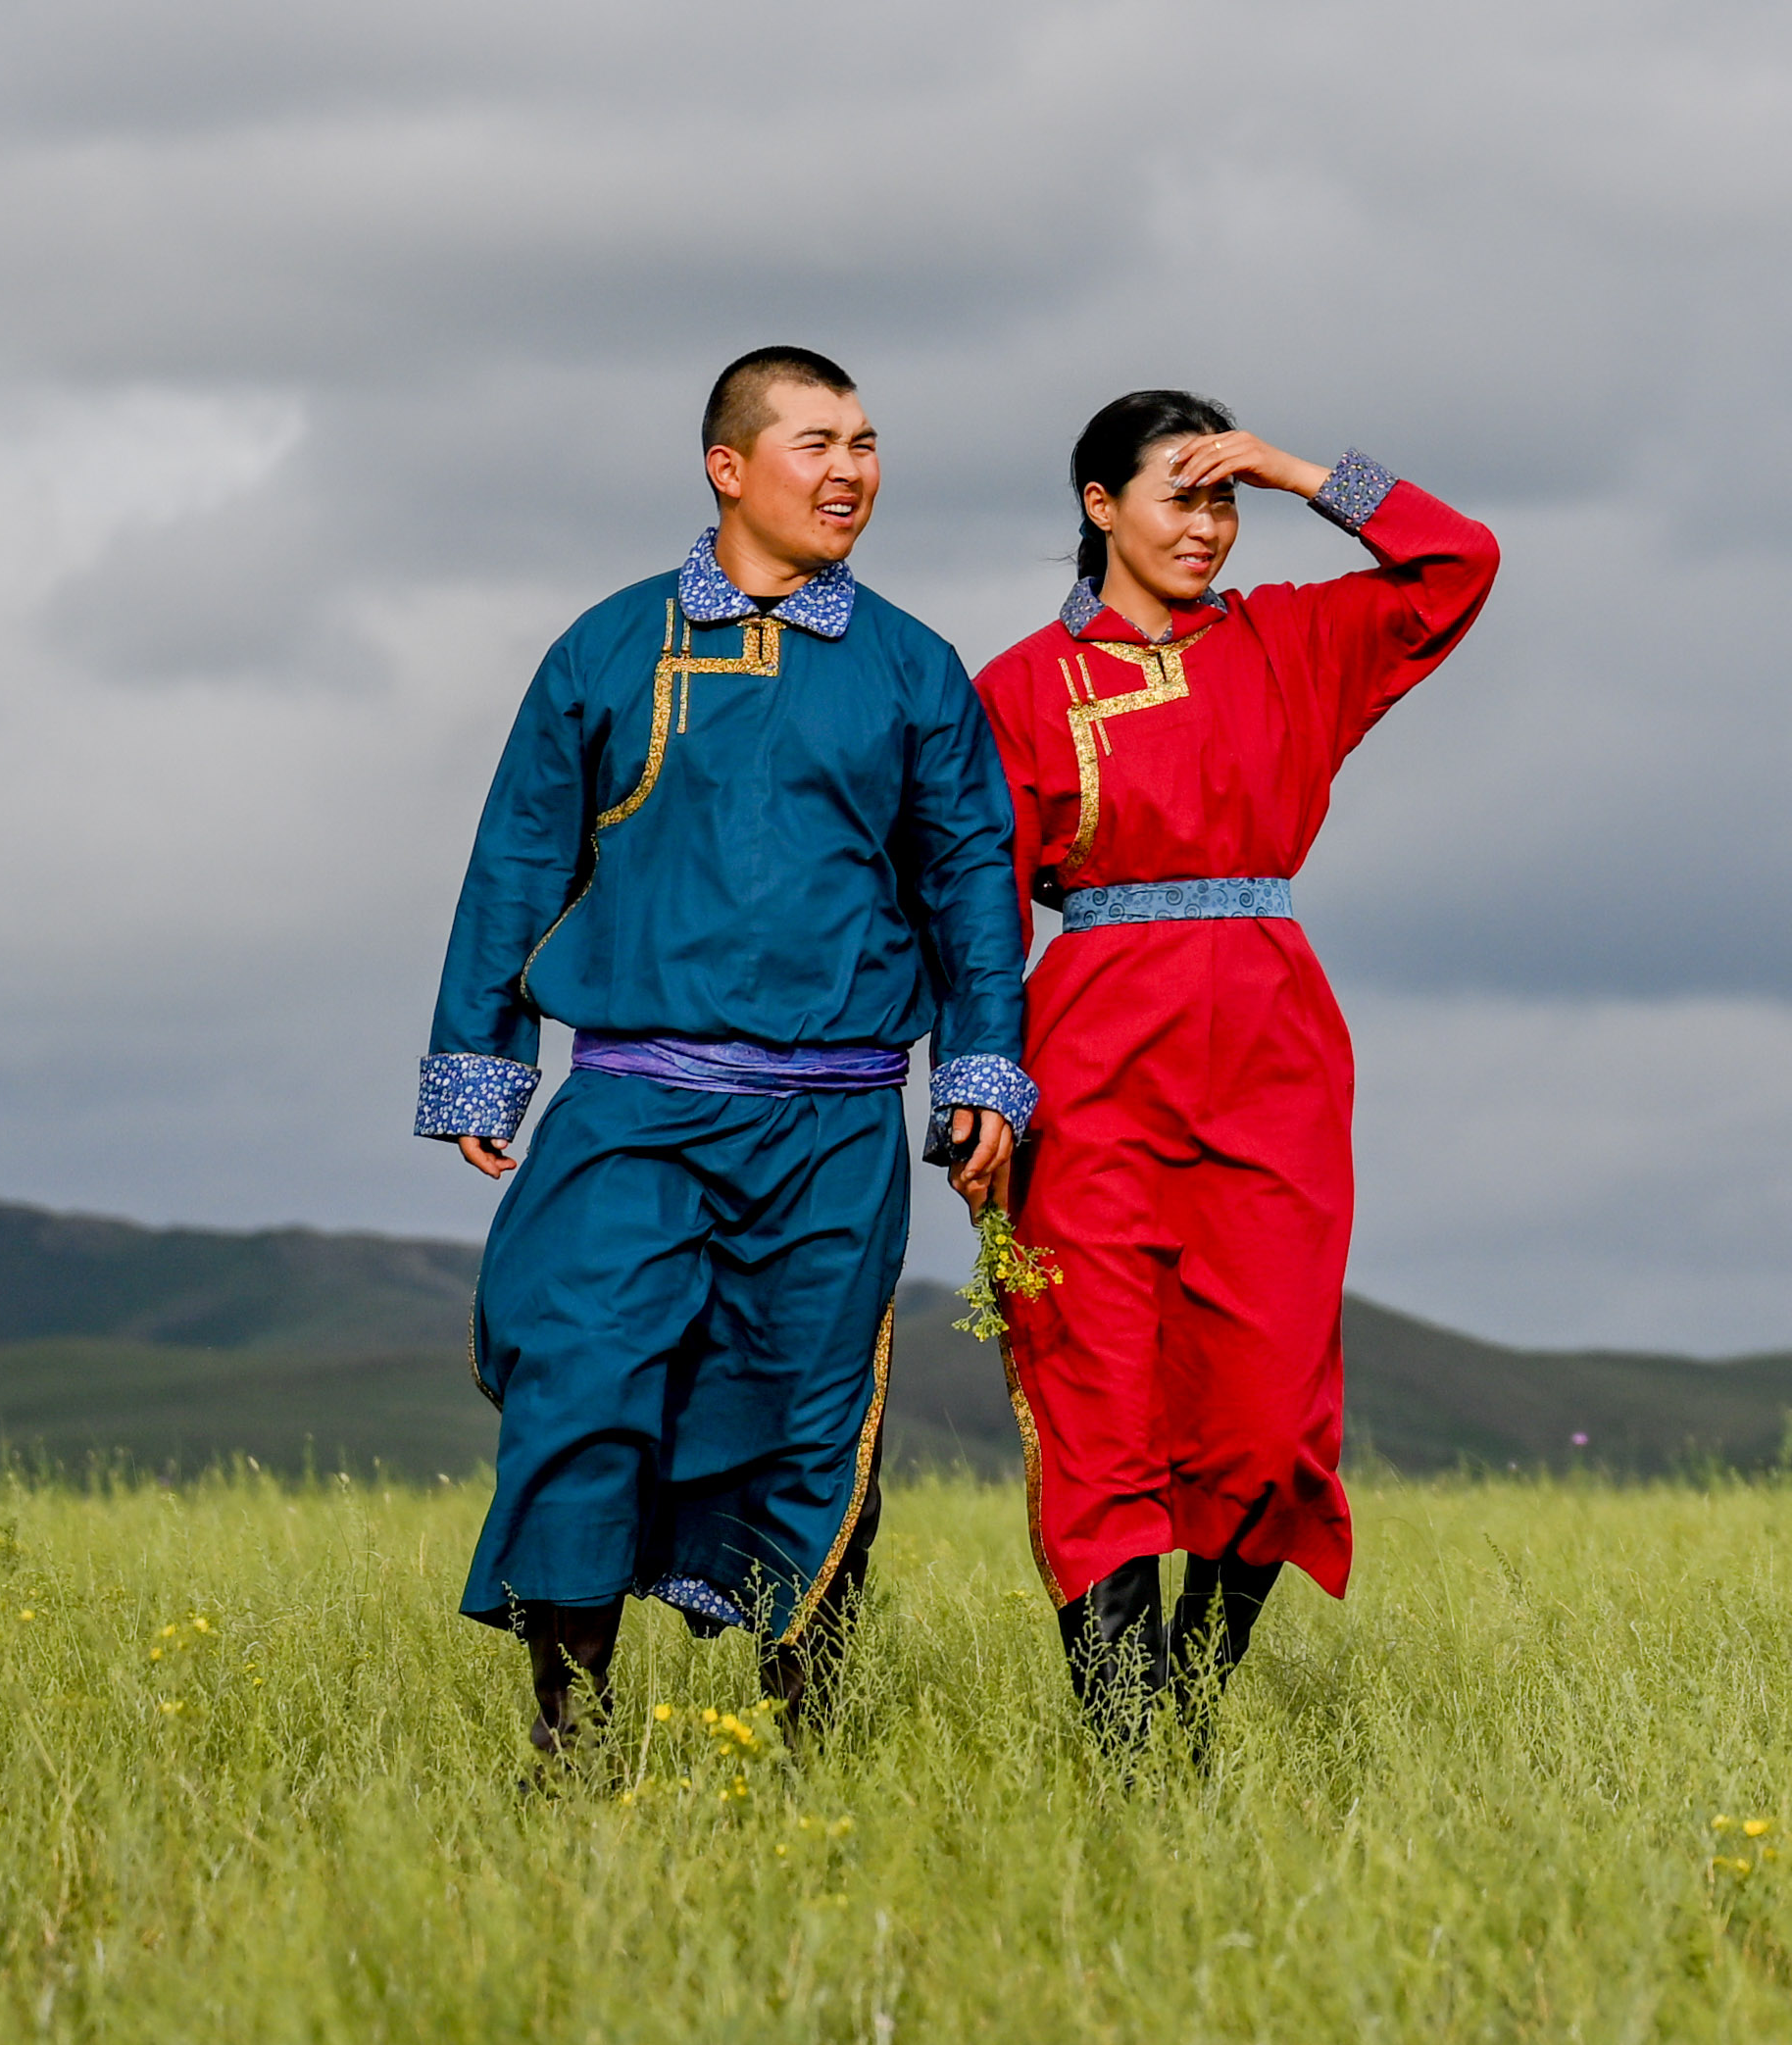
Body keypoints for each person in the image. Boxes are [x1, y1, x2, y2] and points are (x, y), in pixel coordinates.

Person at [416, 348, 1029, 1755]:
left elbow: (974, 887)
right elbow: (518, 852)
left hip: (832, 1125)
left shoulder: (914, 670)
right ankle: (569, 1738)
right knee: (582, 1378)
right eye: (817, 440)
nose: (852, 469)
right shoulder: (608, 646)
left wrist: (981, 1071)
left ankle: (808, 1748)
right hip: (634, 1104)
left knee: (819, 1426)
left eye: (867, 442)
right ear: (729, 465)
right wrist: (482, 1056)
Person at [976, 395, 1497, 1750]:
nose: (1209, 526)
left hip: (1271, 1040)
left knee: (1267, 1412)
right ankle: (1132, 1751)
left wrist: (1296, 468)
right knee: (1096, 1386)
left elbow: (1458, 562)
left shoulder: (1294, 639)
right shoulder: (1021, 684)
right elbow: (975, 902)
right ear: (1099, 506)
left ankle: (1194, 1696)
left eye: (1226, 501)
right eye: (1181, 495)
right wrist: (979, 1080)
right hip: (1088, 1041)